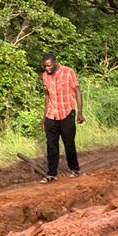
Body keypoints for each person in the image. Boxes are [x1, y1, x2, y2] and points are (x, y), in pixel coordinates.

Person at [40, 53, 84, 183]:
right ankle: (51, 174)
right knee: (51, 145)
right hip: (51, 114)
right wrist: (44, 118)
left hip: (67, 112)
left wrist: (80, 112)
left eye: (49, 65)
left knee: (68, 143)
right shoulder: (44, 76)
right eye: (45, 66)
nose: (47, 68)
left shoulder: (68, 72)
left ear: (55, 62)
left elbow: (77, 91)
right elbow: (47, 96)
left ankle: (74, 169)